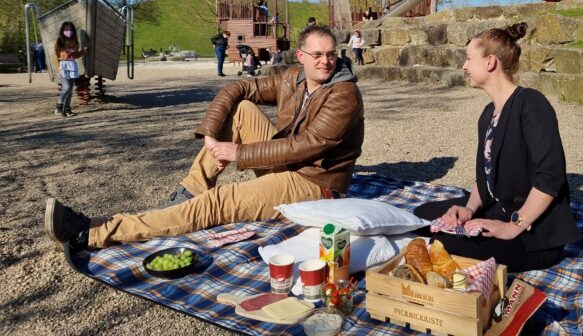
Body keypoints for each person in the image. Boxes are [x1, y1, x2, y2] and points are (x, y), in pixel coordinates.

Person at [44, 25, 365, 251]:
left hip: (313, 184)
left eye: (331, 55)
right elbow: (238, 88)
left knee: (218, 203)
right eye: (318, 54)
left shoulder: (344, 94)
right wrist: (212, 133)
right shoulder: (293, 79)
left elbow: (303, 146)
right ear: (302, 56)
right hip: (289, 166)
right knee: (240, 109)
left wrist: (238, 153)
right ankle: (189, 192)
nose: (326, 61)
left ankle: (92, 231)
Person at [413, 23, 581, 272]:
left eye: (469, 59)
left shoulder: (531, 104)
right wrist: (469, 209)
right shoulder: (488, 114)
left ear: (490, 62)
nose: (464, 66)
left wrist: (513, 226)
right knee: (422, 215)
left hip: (533, 234)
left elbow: (550, 177)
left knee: (444, 241)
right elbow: (486, 177)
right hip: (499, 208)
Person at [53, 22, 87, 118]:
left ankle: (67, 109)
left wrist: (83, 52)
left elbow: (74, 55)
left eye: (71, 30)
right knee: (66, 87)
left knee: (70, 90)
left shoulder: (75, 42)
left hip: (72, 66)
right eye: (67, 30)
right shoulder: (59, 42)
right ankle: (59, 106)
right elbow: (55, 56)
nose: (69, 32)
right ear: (63, 31)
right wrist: (58, 68)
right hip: (63, 66)